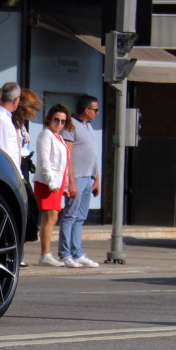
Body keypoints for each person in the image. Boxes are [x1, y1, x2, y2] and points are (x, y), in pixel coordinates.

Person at [58, 94, 102, 268]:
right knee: (69, 215)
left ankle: (77, 253)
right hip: (76, 177)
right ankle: (64, 254)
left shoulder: (89, 126)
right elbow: (67, 155)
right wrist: (71, 181)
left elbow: (93, 155)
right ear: (87, 110)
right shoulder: (71, 126)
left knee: (80, 217)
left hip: (88, 177)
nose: (97, 113)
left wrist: (96, 178)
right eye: (95, 110)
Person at [34, 104, 76, 267]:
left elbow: (63, 164)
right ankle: (44, 254)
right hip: (47, 182)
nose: (59, 123)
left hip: (56, 184)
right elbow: (44, 160)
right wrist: (52, 182)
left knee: (53, 217)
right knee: (49, 217)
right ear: (49, 119)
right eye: (56, 120)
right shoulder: (46, 135)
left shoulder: (58, 138)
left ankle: (46, 253)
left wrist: (63, 185)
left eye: (63, 121)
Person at [13, 89, 42, 267]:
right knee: (24, 210)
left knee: (28, 210)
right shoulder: (13, 122)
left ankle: (20, 253)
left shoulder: (21, 123)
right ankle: (17, 254)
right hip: (19, 167)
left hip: (24, 165)